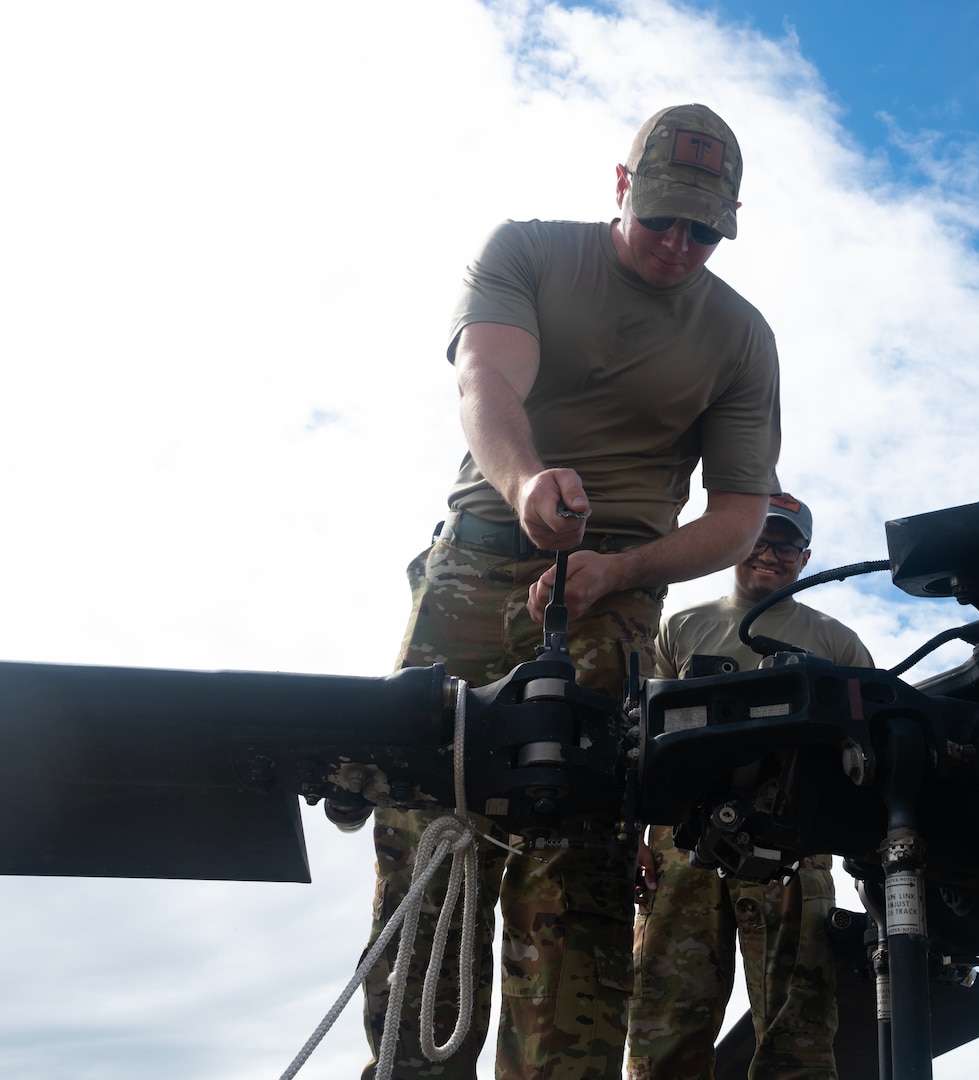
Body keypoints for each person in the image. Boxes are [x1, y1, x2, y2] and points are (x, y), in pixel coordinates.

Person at [357, 103, 783, 1080]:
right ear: (621, 186)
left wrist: (622, 570)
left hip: (615, 592)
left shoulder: (740, 337)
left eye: (707, 231)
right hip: (476, 561)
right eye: (664, 218)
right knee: (425, 821)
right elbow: (486, 380)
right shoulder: (529, 253)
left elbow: (739, 515)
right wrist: (528, 485)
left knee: (582, 855)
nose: (681, 246)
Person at [627, 492, 873, 1080]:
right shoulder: (683, 626)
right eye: (758, 540)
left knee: (800, 1019)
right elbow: (638, 742)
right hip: (682, 846)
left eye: (785, 545)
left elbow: (871, 750)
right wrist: (630, 837)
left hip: (797, 841)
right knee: (666, 1014)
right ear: (736, 545)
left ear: (805, 557)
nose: (769, 554)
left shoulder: (837, 642)